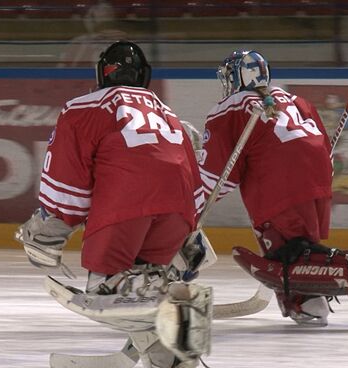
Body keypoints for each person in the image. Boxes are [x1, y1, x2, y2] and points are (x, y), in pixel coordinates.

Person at [15, 41, 211, 368]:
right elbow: (193, 181)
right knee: (143, 286)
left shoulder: (83, 107)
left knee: (107, 293)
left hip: (126, 209)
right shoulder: (169, 114)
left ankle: (164, 326)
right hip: (178, 214)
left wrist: (49, 230)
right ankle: (169, 357)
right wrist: (192, 236)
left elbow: (68, 182)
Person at [198, 50, 348, 326]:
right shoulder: (294, 100)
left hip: (279, 181)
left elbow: (218, 176)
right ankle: (307, 305)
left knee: (284, 256)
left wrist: (190, 208)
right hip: (316, 180)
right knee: (299, 249)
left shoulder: (229, 108)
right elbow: (320, 146)